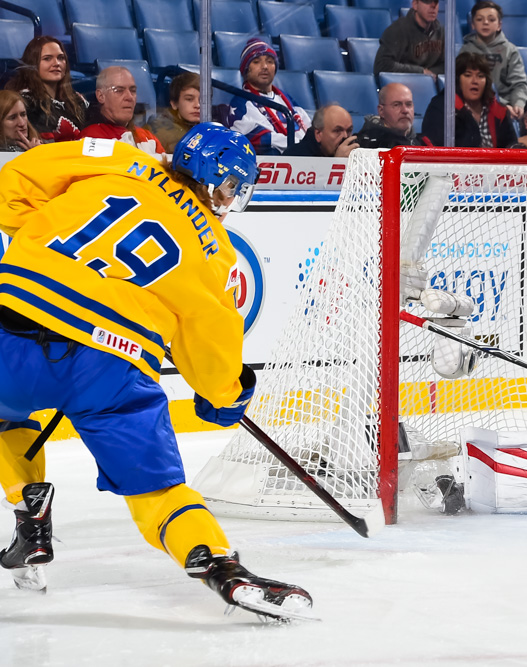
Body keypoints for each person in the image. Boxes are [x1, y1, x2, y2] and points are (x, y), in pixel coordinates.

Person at [0, 124, 312, 620]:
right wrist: (224, 397)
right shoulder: (214, 249)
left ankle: (28, 505)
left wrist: (32, 235)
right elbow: (213, 334)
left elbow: (17, 177)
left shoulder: (118, 160)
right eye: (232, 187)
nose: (231, 198)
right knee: (157, 489)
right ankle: (217, 565)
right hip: (110, 362)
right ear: (215, 182)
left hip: (14, 320)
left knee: (5, 417)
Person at [229, 37, 310, 155]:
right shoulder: (242, 102)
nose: (265, 66)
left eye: (270, 61)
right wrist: (300, 146)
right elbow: (258, 138)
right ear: (246, 69)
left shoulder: (286, 98)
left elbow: (308, 126)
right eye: (256, 62)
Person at [420, 52, 517, 148]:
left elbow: (512, 148)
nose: (475, 81)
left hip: (495, 163)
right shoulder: (441, 108)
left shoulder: (499, 111)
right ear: (457, 80)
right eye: (468, 75)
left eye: (480, 76)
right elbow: (434, 148)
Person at [4, 36, 88, 143]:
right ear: (32, 64)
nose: (56, 63)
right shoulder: (25, 103)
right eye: (47, 58)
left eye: (61, 58)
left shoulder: (77, 101)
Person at [458, 0, 527, 120]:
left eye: (491, 19)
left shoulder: (510, 50)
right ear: (473, 24)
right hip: (477, 107)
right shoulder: (466, 51)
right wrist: (499, 107)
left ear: (499, 25)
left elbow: (519, 83)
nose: (485, 23)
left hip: (509, 107)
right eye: (480, 19)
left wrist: (518, 104)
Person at [81, 66, 164, 157]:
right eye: (119, 91)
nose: (129, 97)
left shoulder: (149, 138)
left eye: (133, 91)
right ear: (101, 96)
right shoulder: (90, 140)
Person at [373, 0, 445, 80]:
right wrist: (421, 72)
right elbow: (382, 65)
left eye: (436, 2)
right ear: (415, 4)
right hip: (402, 84)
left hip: (431, 86)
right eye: (427, 1)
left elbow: (446, 66)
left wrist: (430, 75)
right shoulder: (398, 30)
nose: (433, 6)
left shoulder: (440, 31)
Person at [143, 71, 200, 153]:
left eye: (203, 100)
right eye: (189, 99)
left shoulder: (214, 129)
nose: (197, 105)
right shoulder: (160, 132)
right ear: (174, 104)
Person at [355, 83, 422, 149]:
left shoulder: (420, 143)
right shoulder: (364, 145)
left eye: (409, 104)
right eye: (396, 105)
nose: (405, 110)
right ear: (381, 111)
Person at [286, 103, 360, 156]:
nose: (345, 136)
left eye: (349, 131)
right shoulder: (295, 157)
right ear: (318, 134)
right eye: (337, 131)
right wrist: (339, 163)